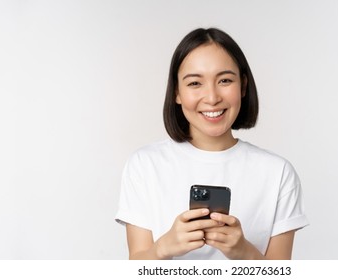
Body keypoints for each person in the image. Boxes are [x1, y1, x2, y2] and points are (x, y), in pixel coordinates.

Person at [115, 27, 308, 260]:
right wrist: (164, 247)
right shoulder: (144, 165)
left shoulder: (278, 173)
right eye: (195, 83)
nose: (213, 97)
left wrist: (243, 252)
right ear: (177, 92)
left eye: (225, 80)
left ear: (243, 86)